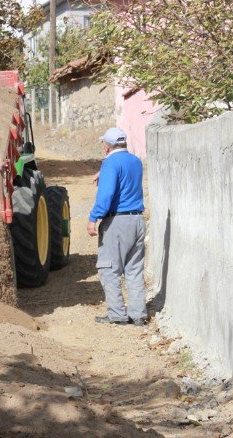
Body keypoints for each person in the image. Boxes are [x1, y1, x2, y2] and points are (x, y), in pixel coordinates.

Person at [87, 127, 147, 326]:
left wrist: (93, 217)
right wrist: (103, 172)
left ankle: (117, 315)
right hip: (138, 220)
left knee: (109, 269)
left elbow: (106, 196)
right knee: (134, 269)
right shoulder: (135, 161)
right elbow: (123, 174)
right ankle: (138, 314)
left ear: (107, 146)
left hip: (117, 222)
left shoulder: (111, 163)